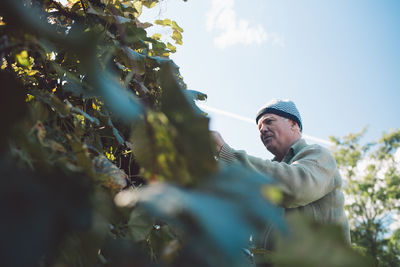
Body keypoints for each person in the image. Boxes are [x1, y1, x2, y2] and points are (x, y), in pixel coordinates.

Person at [211, 99, 351, 248]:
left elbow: (297, 186)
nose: (263, 129)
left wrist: (226, 153)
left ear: (293, 124)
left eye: (269, 121)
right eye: (259, 128)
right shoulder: (267, 174)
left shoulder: (319, 156)